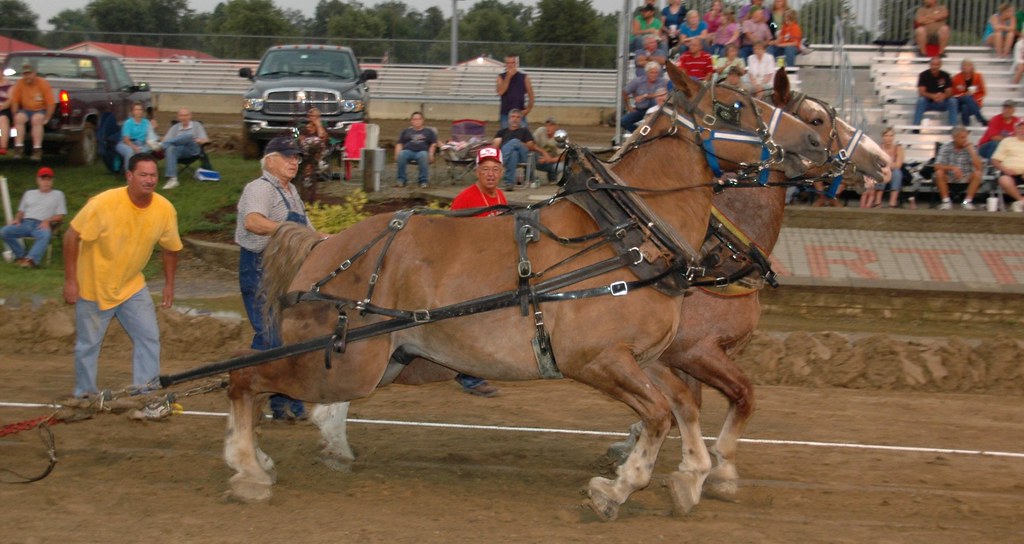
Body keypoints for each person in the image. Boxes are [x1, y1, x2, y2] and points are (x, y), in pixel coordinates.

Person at [63, 153, 182, 398]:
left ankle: (145, 394)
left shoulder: (164, 209)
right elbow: (71, 236)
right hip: (93, 286)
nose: (149, 180)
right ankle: (85, 394)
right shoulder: (103, 204)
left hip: (131, 286)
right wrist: (71, 281)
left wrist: (169, 285)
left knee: (149, 337)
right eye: (143, 175)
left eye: (153, 175)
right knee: (88, 344)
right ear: (129, 176)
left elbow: (171, 248)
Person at [235, 136, 316, 421]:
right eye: (288, 156)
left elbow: (308, 232)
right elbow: (253, 222)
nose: (295, 161)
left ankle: (284, 404)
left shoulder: (292, 192)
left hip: (286, 272)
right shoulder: (259, 188)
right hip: (259, 269)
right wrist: (289, 231)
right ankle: (246, 391)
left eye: (297, 157)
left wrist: (333, 242)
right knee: (270, 337)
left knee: (287, 338)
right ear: (269, 160)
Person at [447, 146, 508, 397]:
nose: (490, 174)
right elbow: (449, 235)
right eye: (485, 169)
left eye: (495, 169)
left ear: (502, 172)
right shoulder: (465, 199)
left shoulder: (501, 197)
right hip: (468, 271)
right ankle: (469, 376)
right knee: (472, 323)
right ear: (477, 172)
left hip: (491, 270)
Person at [1, 166, 66, 268]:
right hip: (25, 222)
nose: (46, 182)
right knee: (4, 231)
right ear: (38, 180)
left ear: (52, 181)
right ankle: (21, 256)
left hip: (42, 224)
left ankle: (31, 260)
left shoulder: (58, 195)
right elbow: (21, 211)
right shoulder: (29, 193)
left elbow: (60, 216)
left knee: (45, 235)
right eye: (43, 179)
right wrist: (17, 219)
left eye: (48, 179)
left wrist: (48, 221)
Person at [493, 109, 552, 192]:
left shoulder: (524, 131)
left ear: (520, 119)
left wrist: (518, 143)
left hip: (523, 156)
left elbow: (530, 146)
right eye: (513, 117)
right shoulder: (502, 132)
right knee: (513, 154)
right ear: (509, 119)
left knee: (514, 142)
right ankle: (509, 183)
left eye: (518, 117)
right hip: (511, 157)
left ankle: (499, 165)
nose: (515, 119)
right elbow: (495, 145)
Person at [9, 64, 55, 161]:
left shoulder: (43, 83)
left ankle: (37, 149)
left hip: (40, 109)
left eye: (29, 74)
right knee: (18, 118)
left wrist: (47, 118)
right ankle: (18, 147)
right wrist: (14, 115)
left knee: (36, 119)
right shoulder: (20, 83)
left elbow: (50, 103)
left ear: (34, 74)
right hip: (26, 110)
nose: (27, 76)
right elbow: (15, 101)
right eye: (25, 74)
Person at [932, 125, 983, 210]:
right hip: (949, 177)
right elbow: (936, 166)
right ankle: (946, 202)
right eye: (962, 137)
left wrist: (972, 151)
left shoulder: (971, 147)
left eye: (966, 137)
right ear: (954, 138)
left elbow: (979, 168)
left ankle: (967, 202)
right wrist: (952, 168)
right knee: (939, 172)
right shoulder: (945, 147)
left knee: (978, 174)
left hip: (966, 177)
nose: (965, 140)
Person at [159, 108, 211, 190]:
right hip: (179, 151)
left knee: (189, 136)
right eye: (181, 115)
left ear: (190, 116)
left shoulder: (197, 125)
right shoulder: (175, 127)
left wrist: (200, 140)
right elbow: (165, 139)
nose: (184, 117)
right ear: (178, 117)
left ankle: (161, 146)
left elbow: (207, 140)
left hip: (192, 150)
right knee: (170, 149)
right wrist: (163, 140)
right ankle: (172, 179)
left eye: (186, 115)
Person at [621, 62, 670, 132]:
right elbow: (625, 92)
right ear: (647, 73)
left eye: (656, 72)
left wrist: (645, 96)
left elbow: (663, 94)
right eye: (652, 72)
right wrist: (628, 107)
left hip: (656, 111)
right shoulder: (637, 81)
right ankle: (638, 133)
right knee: (624, 121)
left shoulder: (663, 82)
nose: (654, 75)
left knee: (654, 101)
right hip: (641, 110)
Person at [394, 111, 437, 188]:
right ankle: (401, 180)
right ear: (411, 121)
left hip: (422, 152)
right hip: (408, 151)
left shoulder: (429, 131)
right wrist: (397, 154)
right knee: (402, 154)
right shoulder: (406, 131)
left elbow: (433, 144)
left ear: (422, 120)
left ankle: (423, 181)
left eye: (419, 119)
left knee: (424, 155)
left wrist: (431, 154)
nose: (417, 121)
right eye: (414, 119)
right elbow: (399, 143)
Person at [912, 56, 957, 127]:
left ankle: (953, 128)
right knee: (921, 100)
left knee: (953, 101)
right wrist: (933, 96)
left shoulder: (945, 75)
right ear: (930, 65)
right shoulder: (923, 75)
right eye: (933, 64)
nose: (934, 67)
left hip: (942, 103)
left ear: (940, 65)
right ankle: (915, 128)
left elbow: (949, 92)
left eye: (937, 65)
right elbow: (921, 92)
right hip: (928, 103)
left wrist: (943, 96)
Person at [295, 107, 329, 202]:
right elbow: (301, 142)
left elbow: (323, 138)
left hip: (318, 153)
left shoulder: (322, 128)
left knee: (318, 143)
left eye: (317, 116)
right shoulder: (303, 128)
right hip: (305, 152)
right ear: (309, 117)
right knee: (314, 143)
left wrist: (318, 125)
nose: (315, 118)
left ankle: (316, 164)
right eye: (313, 116)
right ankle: (315, 165)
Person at [991, 120, 1024, 212]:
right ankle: (1021, 201)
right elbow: (995, 160)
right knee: (1004, 180)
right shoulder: (1007, 141)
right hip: (1009, 173)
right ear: (1015, 129)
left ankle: (1019, 204)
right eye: (1020, 128)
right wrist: (1005, 170)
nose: (1022, 130)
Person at [496, 55, 535, 129]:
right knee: (506, 135)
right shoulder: (500, 77)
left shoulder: (524, 77)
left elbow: (531, 95)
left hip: (520, 113)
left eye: (512, 63)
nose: (510, 65)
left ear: (516, 64)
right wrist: (508, 77)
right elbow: (501, 92)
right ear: (505, 64)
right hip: (505, 114)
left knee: (523, 134)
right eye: (508, 63)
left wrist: (528, 109)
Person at [115, 102, 154, 170]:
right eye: (136, 110)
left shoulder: (146, 122)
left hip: (141, 144)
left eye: (140, 109)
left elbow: (150, 137)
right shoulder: (128, 123)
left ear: (143, 111)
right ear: (133, 112)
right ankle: (129, 173)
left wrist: (154, 129)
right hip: (126, 143)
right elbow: (126, 140)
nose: (138, 111)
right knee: (130, 151)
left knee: (145, 150)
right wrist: (134, 147)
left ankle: (141, 171)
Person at [951, 59, 987, 127]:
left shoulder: (978, 77)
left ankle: (966, 127)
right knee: (967, 97)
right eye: (964, 65)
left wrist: (973, 99)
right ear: (961, 67)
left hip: (974, 104)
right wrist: (964, 95)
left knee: (965, 107)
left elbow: (983, 92)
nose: (966, 67)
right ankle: (981, 119)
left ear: (972, 67)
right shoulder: (956, 78)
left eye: (968, 65)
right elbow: (952, 94)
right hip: (959, 102)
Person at [878, 127, 905, 208]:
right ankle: (877, 202)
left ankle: (892, 202)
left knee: (897, 173)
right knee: (882, 172)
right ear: (882, 137)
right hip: (881, 170)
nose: (889, 138)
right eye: (886, 136)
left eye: (891, 136)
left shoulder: (898, 149)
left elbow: (898, 165)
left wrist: (886, 164)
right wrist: (889, 165)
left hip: (893, 171)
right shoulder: (878, 148)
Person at [531, 117, 563, 184]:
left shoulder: (560, 137)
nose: (548, 128)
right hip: (538, 158)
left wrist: (549, 160)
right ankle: (530, 178)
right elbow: (531, 144)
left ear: (556, 127)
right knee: (530, 155)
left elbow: (562, 156)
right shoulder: (540, 131)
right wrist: (543, 152)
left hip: (551, 161)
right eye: (547, 125)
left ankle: (552, 176)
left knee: (560, 167)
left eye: (551, 126)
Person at [0, 70, 12, 155]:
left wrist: (2, 107)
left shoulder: (9, 86)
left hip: (4, 110)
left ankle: (3, 147)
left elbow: (10, 100)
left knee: (2, 119)